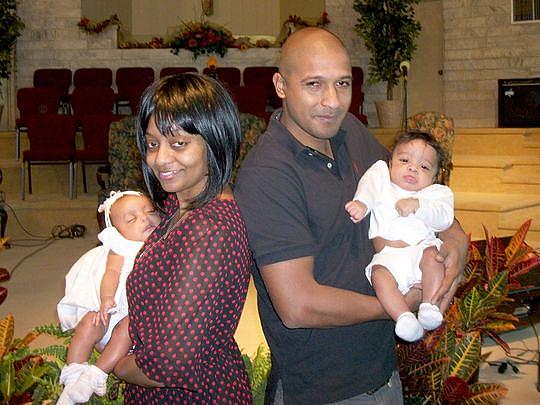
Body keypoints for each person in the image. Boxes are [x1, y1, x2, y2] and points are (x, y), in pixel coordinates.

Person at [234, 27, 468, 404]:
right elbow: (297, 305)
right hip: (325, 388)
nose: (332, 101)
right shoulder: (268, 174)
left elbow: (411, 188)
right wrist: (396, 305)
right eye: (314, 84)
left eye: (342, 83)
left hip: (381, 370)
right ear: (281, 85)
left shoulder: (350, 132)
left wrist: (456, 238)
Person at [112, 73, 253, 404]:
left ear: (215, 141)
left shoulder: (208, 230)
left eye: (178, 143)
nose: (160, 159)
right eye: (152, 143)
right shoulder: (180, 203)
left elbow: (166, 366)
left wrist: (115, 365)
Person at [345, 131, 454, 342]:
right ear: (390, 163)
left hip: (420, 251)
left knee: (434, 258)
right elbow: (368, 186)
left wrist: (419, 206)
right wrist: (362, 203)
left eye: (424, 167)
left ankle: (429, 305)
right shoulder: (382, 180)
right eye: (404, 160)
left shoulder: (436, 193)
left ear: (434, 176)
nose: (413, 168)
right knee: (379, 275)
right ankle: (403, 317)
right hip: (388, 256)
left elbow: (445, 218)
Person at [56, 190, 160, 404]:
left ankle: (96, 375)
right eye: (131, 219)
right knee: (89, 322)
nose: (144, 218)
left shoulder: (162, 242)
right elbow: (111, 273)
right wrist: (106, 298)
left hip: (133, 319)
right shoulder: (120, 246)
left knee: (128, 326)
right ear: (117, 232)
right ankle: (74, 375)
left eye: (149, 211)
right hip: (111, 309)